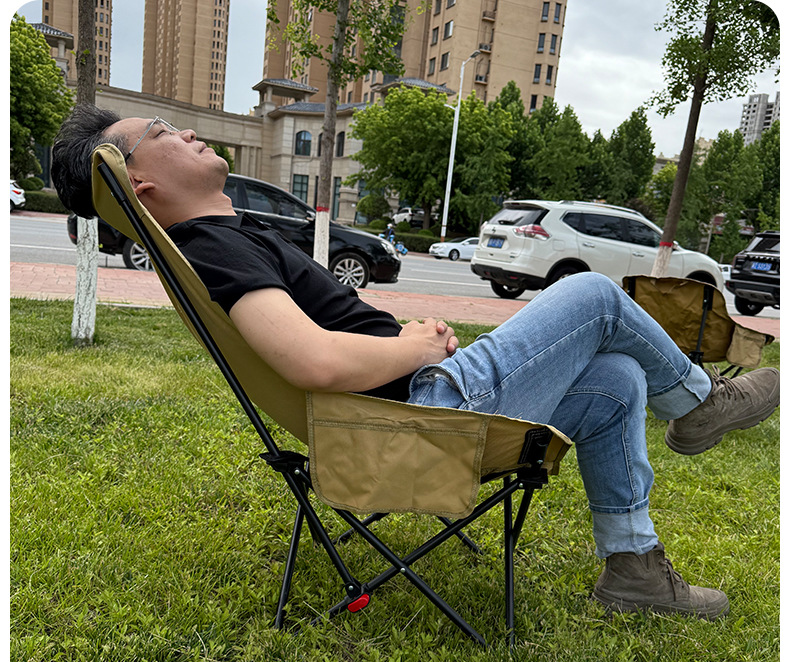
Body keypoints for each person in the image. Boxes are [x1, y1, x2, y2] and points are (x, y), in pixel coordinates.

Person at [52, 106, 780, 620]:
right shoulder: (213, 248)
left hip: (413, 405)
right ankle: (699, 406)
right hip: (418, 422)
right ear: (138, 185)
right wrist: (416, 348)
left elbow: (322, 339)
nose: (186, 131)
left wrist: (403, 337)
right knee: (590, 294)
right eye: (162, 133)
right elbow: (309, 359)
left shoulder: (227, 238)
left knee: (617, 381)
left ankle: (633, 568)